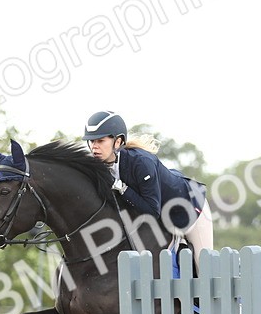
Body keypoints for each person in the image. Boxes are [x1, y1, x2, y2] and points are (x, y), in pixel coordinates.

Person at [82, 110, 214, 268]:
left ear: (117, 142)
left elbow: (152, 210)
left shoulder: (141, 163)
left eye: (100, 141)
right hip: (159, 224)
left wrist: (122, 188)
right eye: (91, 141)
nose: (94, 147)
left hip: (189, 210)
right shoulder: (99, 165)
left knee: (205, 268)